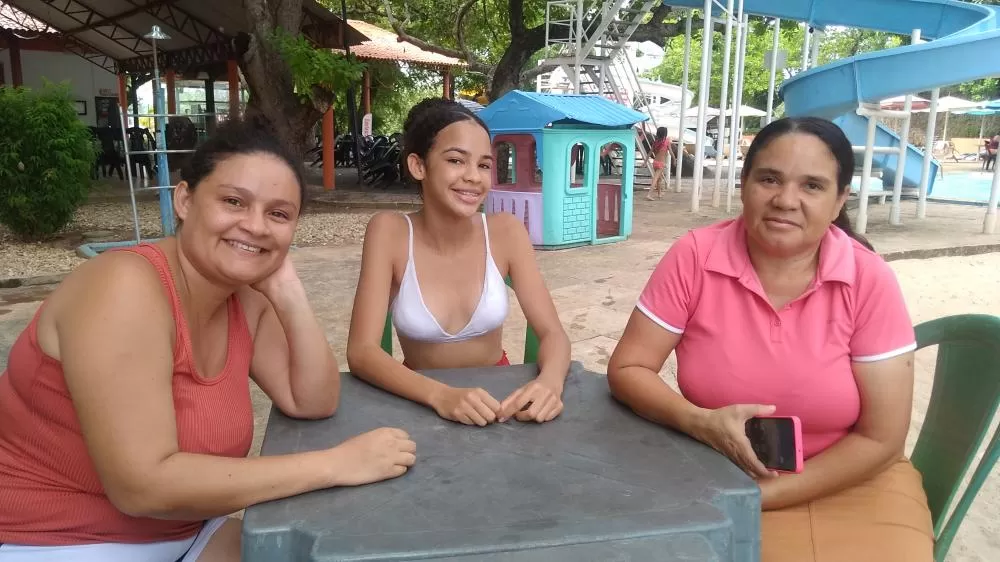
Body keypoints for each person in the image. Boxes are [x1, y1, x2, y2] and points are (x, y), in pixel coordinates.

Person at [0, 118, 416, 561]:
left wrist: (288, 292)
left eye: (278, 214)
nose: (256, 226)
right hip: (55, 540)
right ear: (185, 200)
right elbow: (142, 487)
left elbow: (312, 400)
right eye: (234, 201)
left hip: (186, 530)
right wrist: (336, 464)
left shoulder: (243, 298)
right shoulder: (124, 287)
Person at [606, 117, 933, 561]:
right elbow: (629, 367)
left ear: (839, 200)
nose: (786, 200)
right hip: (721, 469)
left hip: (852, 479)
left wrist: (761, 497)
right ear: (743, 185)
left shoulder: (868, 279)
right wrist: (698, 421)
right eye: (770, 179)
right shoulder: (696, 257)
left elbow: (882, 439)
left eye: (812, 186)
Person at [347, 98, 571, 427]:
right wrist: (440, 396)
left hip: (498, 404)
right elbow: (362, 351)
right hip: (417, 400)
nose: (473, 177)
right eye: (456, 160)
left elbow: (553, 333)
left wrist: (550, 383)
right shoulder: (390, 232)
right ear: (418, 166)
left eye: (484, 165)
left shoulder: (505, 232)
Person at [646, 126, 671, 200]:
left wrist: (645, 162)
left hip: (655, 162)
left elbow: (650, 153)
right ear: (665, 134)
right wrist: (674, 160)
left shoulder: (655, 142)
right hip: (661, 163)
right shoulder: (666, 142)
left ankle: (659, 194)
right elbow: (671, 152)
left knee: (659, 179)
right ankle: (649, 194)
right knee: (656, 179)